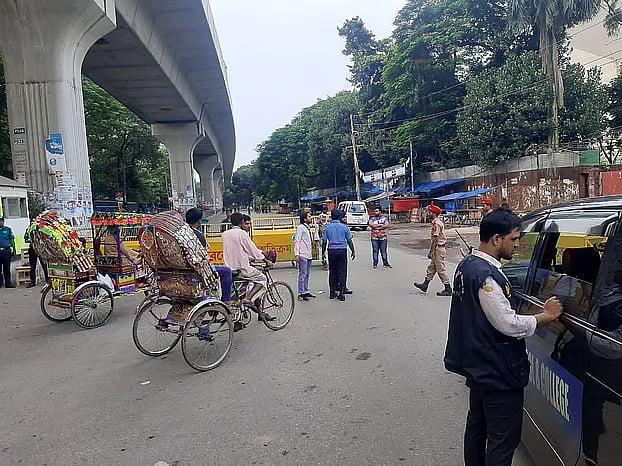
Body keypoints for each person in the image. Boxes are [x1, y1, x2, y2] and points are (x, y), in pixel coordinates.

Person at [444, 208, 563, 466]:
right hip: (497, 370)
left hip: (479, 366)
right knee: (502, 439)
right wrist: (546, 315)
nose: (517, 246)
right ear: (496, 239)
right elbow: (508, 324)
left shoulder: (467, 265)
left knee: (478, 428)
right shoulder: (486, 276)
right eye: (514, 239)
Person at [222, 212, 275, 321]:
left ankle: (239, 319)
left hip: (230, 268)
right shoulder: (242, 234)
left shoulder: (225, 234)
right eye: (246, 223)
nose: (248, 226)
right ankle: (248, 299)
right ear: (241, 223)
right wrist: (265, 259)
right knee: (262, 279)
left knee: (237, 294)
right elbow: (253, 251)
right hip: (243, 268)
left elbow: (238, 251)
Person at [185, 208, 234, 306]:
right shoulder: (198, 235)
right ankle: (226, 300)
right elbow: (203, 255)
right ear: (199, 221)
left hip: (184, 268)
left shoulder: (182, 233)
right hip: (197, 270)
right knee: (227, 271)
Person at [414, 203, 452, 296]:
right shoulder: (436, 222)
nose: (427, 214)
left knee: (440, 269)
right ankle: (425, 284)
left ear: (434, 213)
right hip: (438, 248)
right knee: (432, 268)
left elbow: (435, 239)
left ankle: (448, 288)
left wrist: (431, 251)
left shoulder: (436, 223)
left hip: (438, 248)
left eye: (429, 212)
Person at [321, 209, 355, 301]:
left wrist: (323, 252)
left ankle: (332, 292)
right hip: (342, 250)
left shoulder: (328, 227)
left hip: (331, 251)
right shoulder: (344, 227)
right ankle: (342, 293)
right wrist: (353, 250)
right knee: (342, 271)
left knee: (332, 272)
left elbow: (324, 241)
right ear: (340, 217)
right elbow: (349, 240)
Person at [294, 211, 316, 301]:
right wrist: (297, 254)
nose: (310, 218)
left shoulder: (308, 228)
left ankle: (306, 290)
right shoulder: (301, 228)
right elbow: (297, 240)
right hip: (302, 254)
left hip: (308, 254)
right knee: (302, 274)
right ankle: (301, 292)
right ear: (304, 219)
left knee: (307, 274)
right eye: (309, 216)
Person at [0, 216, 16, 288]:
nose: (0, 222)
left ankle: (8, 283)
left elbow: (12, 240)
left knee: (7, 268)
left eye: (1, 221)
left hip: (6, 251)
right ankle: (0, 283)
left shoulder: (8, 229)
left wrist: (14, 249)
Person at [318, 206, 330, 270]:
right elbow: (319, 226)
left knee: (324, 250)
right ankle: (324, 262)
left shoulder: (326, 217)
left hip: (324, 236)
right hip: (323, 236)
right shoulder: (321, 216)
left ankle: (325, 262)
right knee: (323, 250)